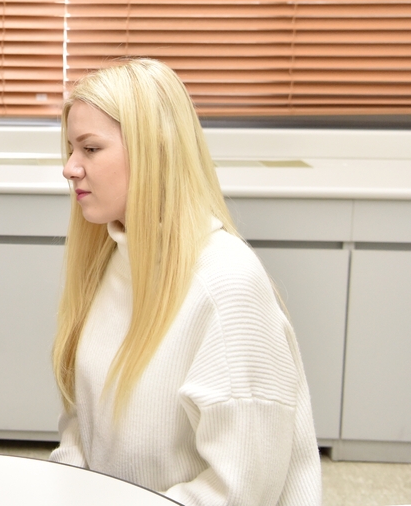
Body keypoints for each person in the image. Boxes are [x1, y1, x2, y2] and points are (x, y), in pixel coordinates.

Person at [50, 58, 321, 505]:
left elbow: (240, 490)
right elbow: (84, 426)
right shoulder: (113, 259)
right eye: (70, 149)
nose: (69, 167)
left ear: (153, 150)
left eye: (90, 149)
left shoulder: (226, 285)